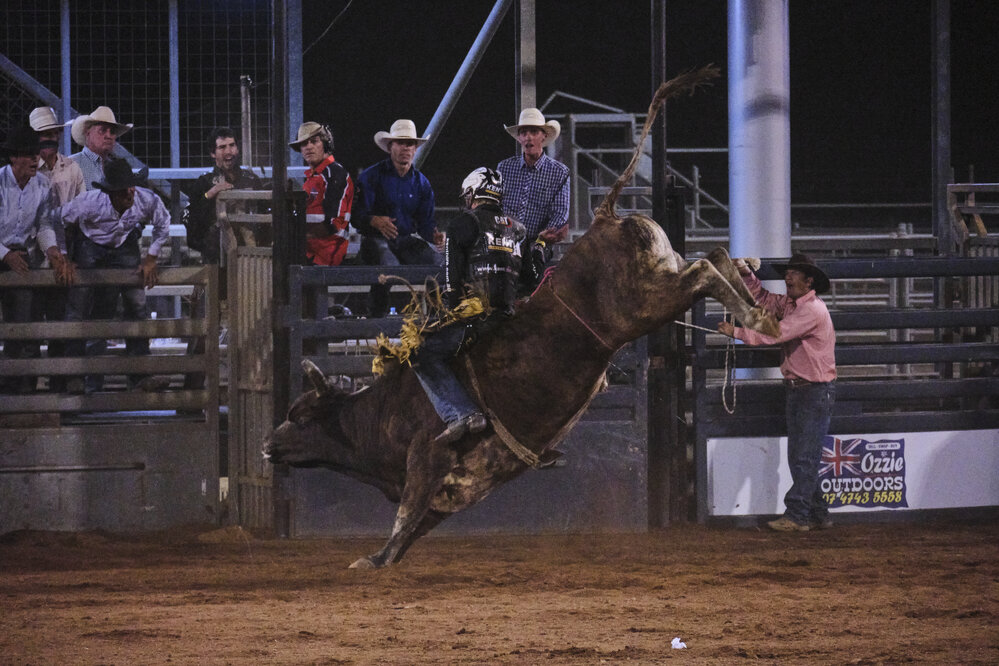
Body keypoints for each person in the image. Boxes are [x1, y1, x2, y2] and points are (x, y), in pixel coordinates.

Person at [717, 252, 837, 532]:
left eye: (794, 273)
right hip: (806, 390)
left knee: (802, 455)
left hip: (812, 391)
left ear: (809, 282)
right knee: (804, 454)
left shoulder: (810, 310)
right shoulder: (796, 305)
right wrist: (747, 275)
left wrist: (736, 332)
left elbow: (773, 332)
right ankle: (818, 513)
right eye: (789, 272)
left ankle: (797, 516)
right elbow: (765, 299)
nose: (788, 276)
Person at [412, 167, 531, 445]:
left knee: (420, 351)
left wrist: (447, 313)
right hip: (509, 316)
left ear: (473, 194)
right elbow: (528, 278)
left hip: (478, 322)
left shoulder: (462, 224)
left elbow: (451, 281)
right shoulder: (519, 229)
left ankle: (462, 413)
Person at [61, 158, 170, 394]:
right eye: (123, 190)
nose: (130, 192)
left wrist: (151, 257)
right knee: (78, 304)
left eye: (131, 186)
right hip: (90, 244)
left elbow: (163, 222)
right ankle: (73, 375)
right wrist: (64, 256)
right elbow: (60, 219)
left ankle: (140, 374)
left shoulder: (145, 199)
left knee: (137, 304)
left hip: (123, 243)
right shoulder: (90, 203)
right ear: (110, 193)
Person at [0, 124, 74, 393]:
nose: (35, 159)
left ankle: (20, 383)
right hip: (7, 252)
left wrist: (52, 250)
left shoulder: (42, 185)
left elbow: (44, 224)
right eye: (28, 154)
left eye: (36, 154)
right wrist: (5, 254)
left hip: (20, 255)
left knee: (23, 320)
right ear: (13, 157)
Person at [353, 119, 442, 318]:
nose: (406, 148)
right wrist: (374, 220)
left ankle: (437, 320)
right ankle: (377, 322)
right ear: (390, 147)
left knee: (439, 266)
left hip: (405, 241)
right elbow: (356, 215)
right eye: (400, 143)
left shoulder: (421, 183)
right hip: (375, 240)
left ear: (415, 149)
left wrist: (434, 235)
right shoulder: (371, 176)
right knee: (389, 268)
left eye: (410, 144)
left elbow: (425, 223)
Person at [31, 107, 84, 391]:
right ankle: (28, 386)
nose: (51, 139)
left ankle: (57, 385)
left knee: (59, 320)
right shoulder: (27, 170)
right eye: (46, 135)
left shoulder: (71, 168)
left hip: (62, 251)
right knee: (30, 322)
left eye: (53, 134)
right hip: (33, 255)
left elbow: (82, 207)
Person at [496, 108, 570, 269]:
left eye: (534, 132)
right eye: (523, 132)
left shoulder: (559, 172)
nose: (528, 137)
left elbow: (560, 213)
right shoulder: (504, 167)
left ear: (544, 136)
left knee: (533, 259)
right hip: (505, 239)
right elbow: (496, 204)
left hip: (538, 240)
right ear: (519, 138)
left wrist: (543, 237)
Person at [186, 127, 263, 265]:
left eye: (232, 145)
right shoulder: (204, 182)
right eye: (222, 147)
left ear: (237, 149)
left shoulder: (252, 180)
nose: (228, 151)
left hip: (249, 257)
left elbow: (265, 216)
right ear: (213, 153)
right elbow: (191, 219)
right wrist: (210, 193)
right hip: (215, 257)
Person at [289, 122, 354, 266]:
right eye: (304, 143)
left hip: (325, 254)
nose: (309, 147)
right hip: (310, 252)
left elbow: (334, 223)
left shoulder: (335, 174)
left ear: (325, 144)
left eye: (314, 141)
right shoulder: (314, 177)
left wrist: (298, 237)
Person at [69, 106, 133, 190]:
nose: (108, 136)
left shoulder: (116, 168)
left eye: (112, 132)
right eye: (102, 130)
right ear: (88, 134)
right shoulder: (71, 166)